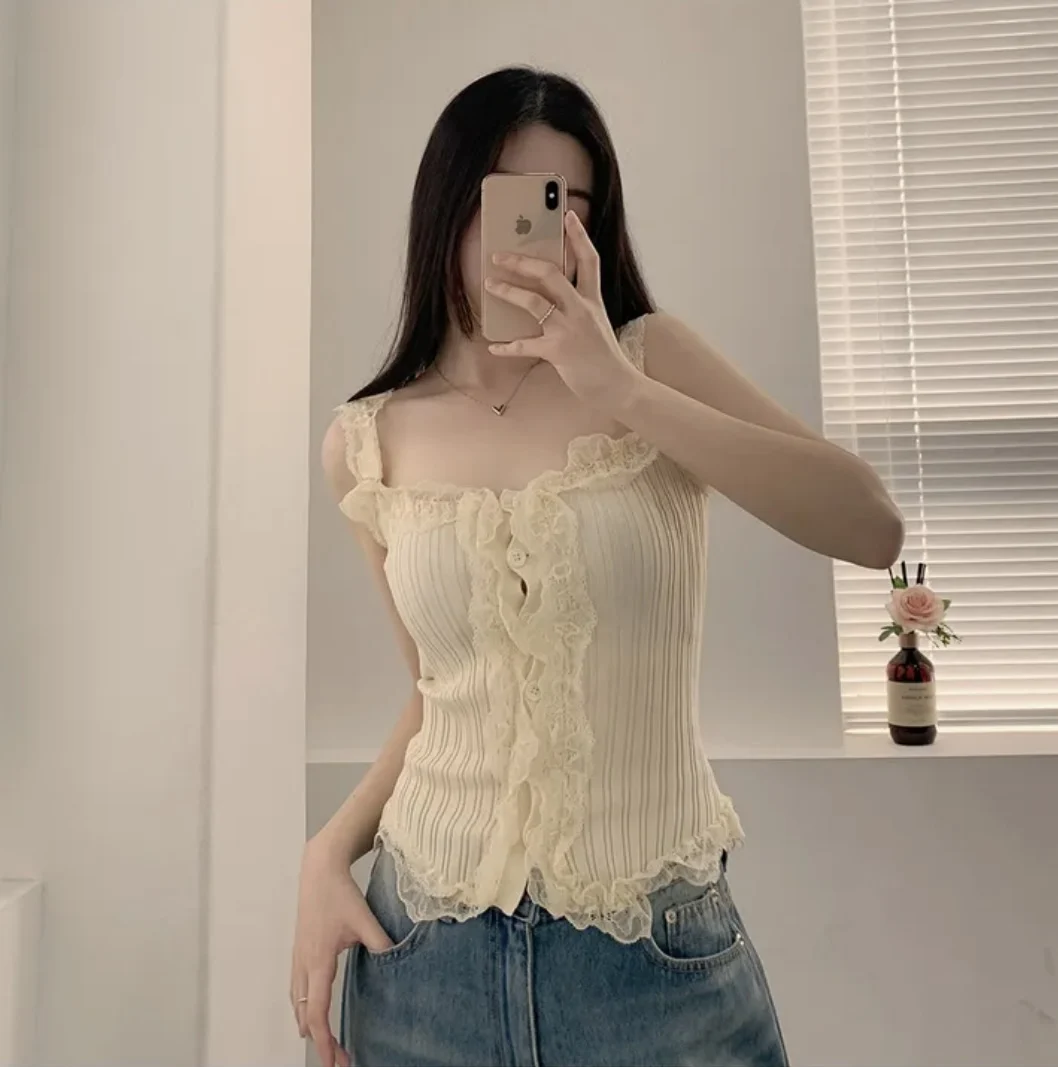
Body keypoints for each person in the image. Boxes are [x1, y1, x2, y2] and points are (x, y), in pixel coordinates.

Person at [291, 67, 904, 1067]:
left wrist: (616, 388)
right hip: (421, 964)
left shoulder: (650, 361)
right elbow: (438, 694)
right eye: (508, 197)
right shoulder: (365, 441)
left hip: (654, 968)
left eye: (567, 202)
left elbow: (869, 525)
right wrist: (328, 847)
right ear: (446, 206)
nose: (537, 230)